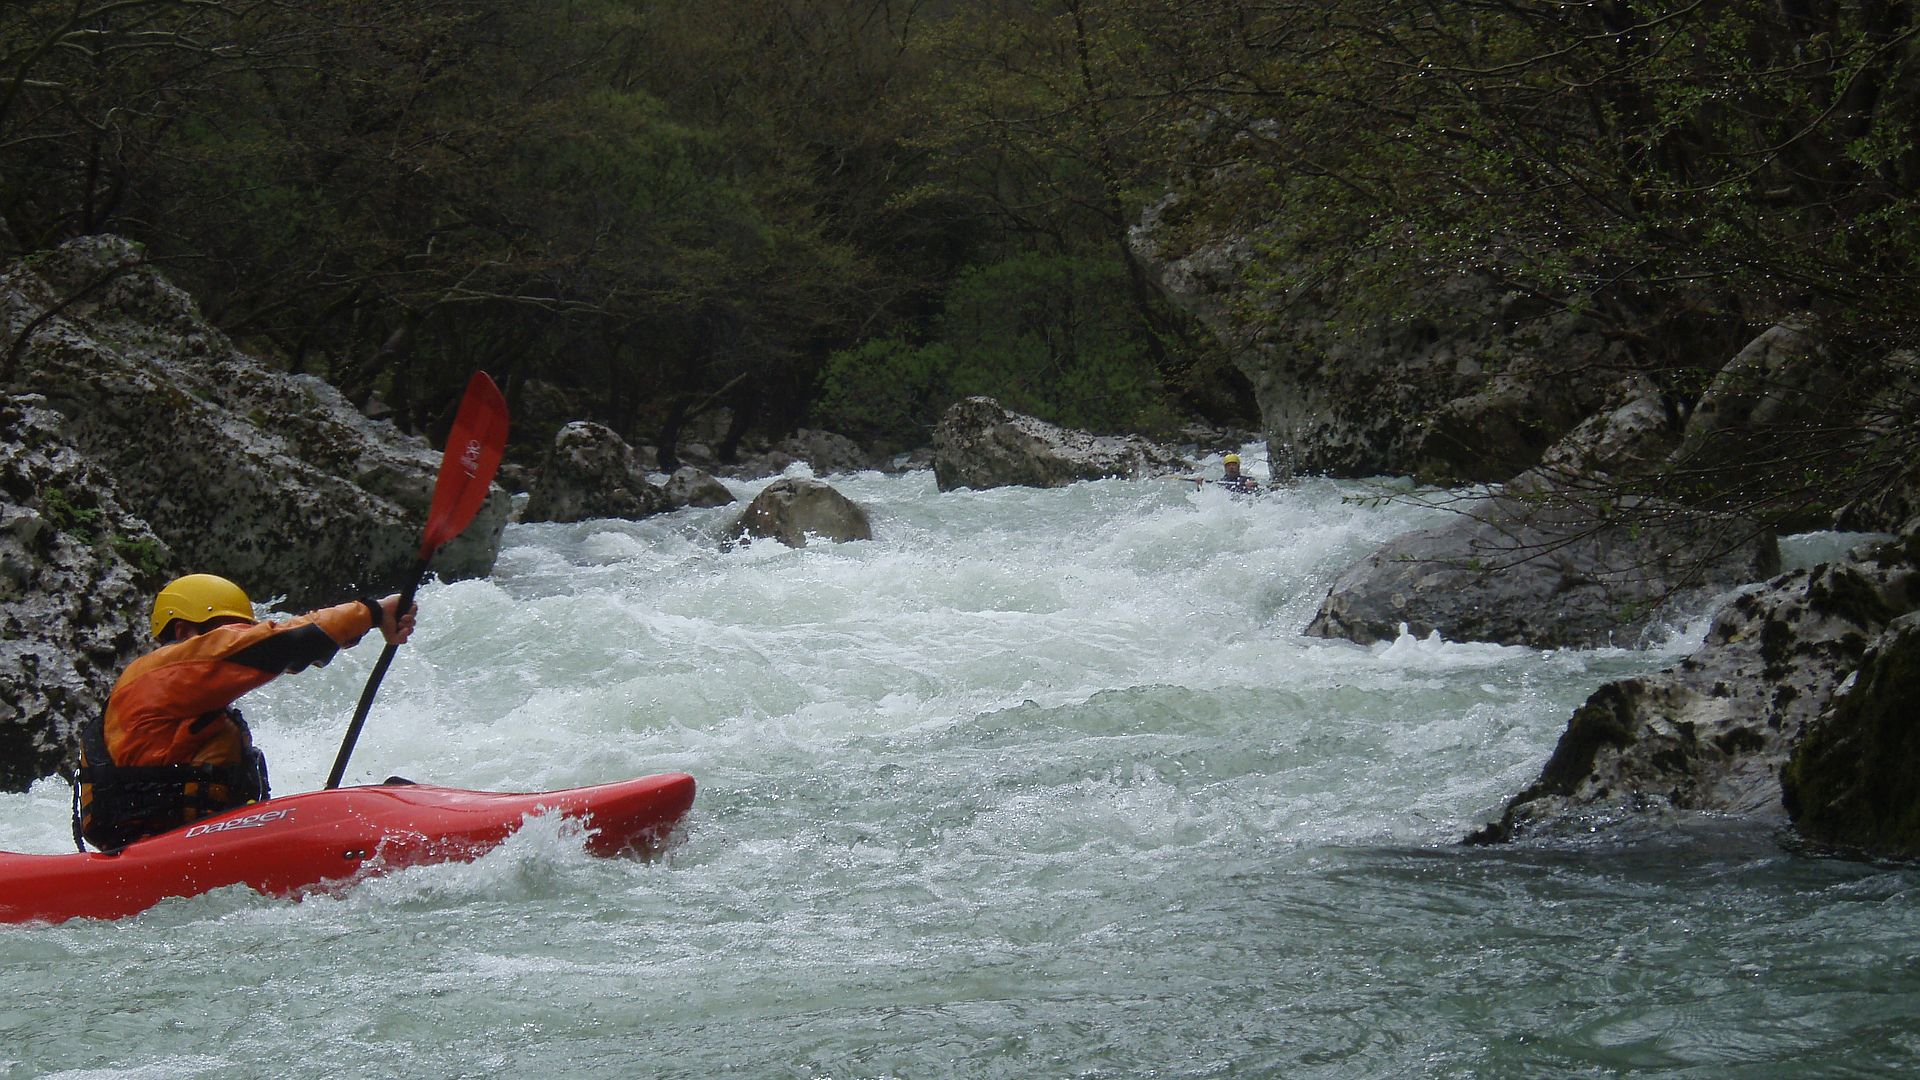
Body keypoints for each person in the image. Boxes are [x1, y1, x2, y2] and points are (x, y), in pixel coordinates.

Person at [72, 573, 417, 851]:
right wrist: (370, 613)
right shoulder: (161, 671)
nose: (238, 639)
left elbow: (274, 649)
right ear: (183, 632)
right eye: (228, 631)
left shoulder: (180, 691)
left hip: (190, 842)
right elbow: (276, 645)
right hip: (165, 848)